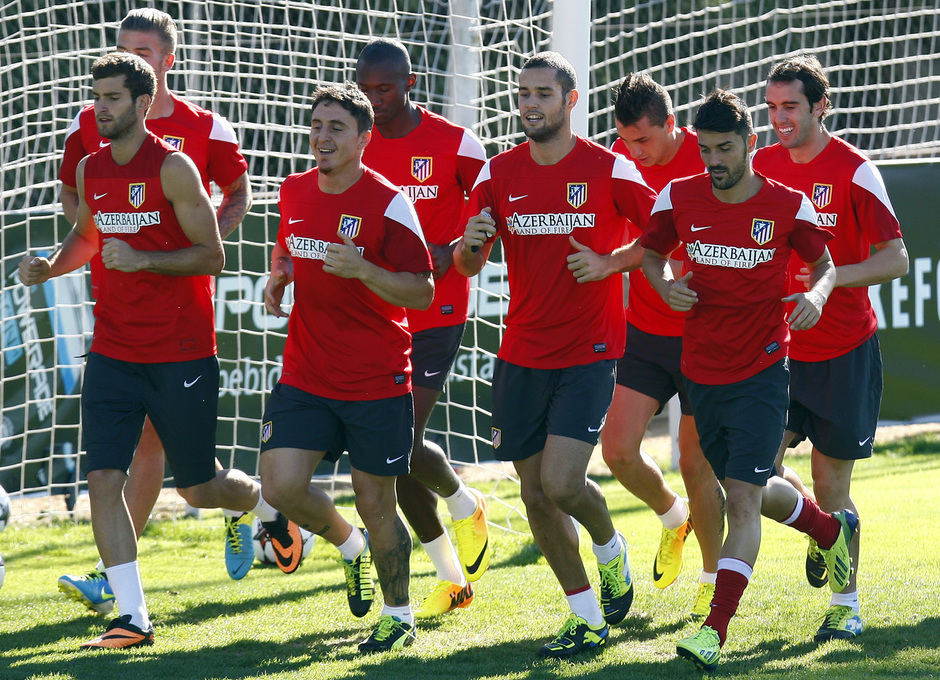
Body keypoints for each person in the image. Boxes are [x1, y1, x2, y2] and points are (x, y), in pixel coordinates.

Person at [18, 53, 287, 650]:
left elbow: (212, 257)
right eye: (97, 97)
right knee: (102, 477)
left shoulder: (175, 167)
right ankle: (133, 617)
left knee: (198, 487)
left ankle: (266, 506)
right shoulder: (89, 168)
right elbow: (89, 234)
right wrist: (50, 267)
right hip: (113, 349)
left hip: (180, 351)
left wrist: (143, 259)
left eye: (112, 97)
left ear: (143, 103)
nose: (100, 107)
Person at [640, 88, 857, 671]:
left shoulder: (788, 204)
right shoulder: (678, 196)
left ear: (750, 145)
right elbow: (649, 254)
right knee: (750, 492)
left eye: (725, 149)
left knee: (739, 497)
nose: (713, 161)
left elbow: (826, 264)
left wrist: (814, 292)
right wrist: (665, 285)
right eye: (706, 149)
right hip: (701, 373)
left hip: (762, 371)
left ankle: (715, 629)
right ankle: (828, 531)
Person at [454, 52, 658, 659]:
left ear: (571, 101)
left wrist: (607, 261)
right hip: (521, 351)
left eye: (544, 93)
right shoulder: (496, 174)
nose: (531, 104)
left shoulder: (608, 167)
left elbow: (663, 234)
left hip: (589, 350)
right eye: (523, 94)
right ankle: (585, 614)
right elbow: (468, 264)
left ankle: (609, 547)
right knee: (535, 495)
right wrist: (468, 247)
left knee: (563, 482)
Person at [56, 8, 257, 612]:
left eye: (142, 51)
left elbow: (235, 193)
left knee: (196, 482)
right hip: (116, 321)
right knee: (122, 460)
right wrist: (88, 240)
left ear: (167, 61)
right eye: (122, 49)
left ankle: (256, 505)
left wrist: (181, 246)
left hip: (181, 317)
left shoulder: (202, 131)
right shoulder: (94, 132)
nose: (131, 58)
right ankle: (121, 592)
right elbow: (78, 196)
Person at [259, 83, 434, 653]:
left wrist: (364, 270)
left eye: (336, 127)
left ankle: (398, 615)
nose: (322, 136)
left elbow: (423, 290)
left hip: (375, 378)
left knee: (377, 501)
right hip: (306, 372)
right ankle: (348, 545)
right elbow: (289, 245)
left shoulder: (388, 202)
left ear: (364, 137)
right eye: (316, 125)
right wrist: (279, 275)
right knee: (280, 485)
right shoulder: (293, 189)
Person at [754, 55, 908, 642]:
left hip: (844, 350)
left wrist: (825, 280)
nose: (779, 119)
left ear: (821, 106)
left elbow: (896, 257)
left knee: (832, 485)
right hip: (777, 351)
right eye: (771, 108)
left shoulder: (855, 170)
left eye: (790, 107)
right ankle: (822, 530)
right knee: (752, 470)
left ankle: (846, 607)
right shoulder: (760, 165)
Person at [355, 38, 490, 618]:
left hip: (436, 313)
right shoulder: (354, 143)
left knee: (398, 445)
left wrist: (455, 248)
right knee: (391, 453)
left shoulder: (455, 143)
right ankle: (452, 573)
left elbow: (493, 211)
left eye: (383, 89)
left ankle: (463, 507)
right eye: (365, 91)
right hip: (378, 315)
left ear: (410, 84)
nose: (374, 100)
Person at [603, 73, 724, 617]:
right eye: (624, 140)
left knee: (700, 465)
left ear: (674, 126)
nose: (633, 152)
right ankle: (674, 518)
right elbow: (645, 243)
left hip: (707, 337)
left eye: (643, 141)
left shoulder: (714, 157)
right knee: (618, 451)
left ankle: (713, 582)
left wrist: (612, 261)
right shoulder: (620, 160)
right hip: (646, 333)